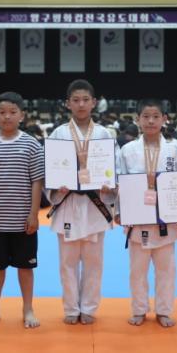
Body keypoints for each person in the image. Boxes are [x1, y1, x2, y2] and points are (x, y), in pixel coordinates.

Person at [47, 79, 119, 325]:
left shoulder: (104, 134)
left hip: (94, 204)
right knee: (67, 263)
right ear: (67, 103)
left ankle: (88, 307)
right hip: (68, 203)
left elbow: (114, 168)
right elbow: (50, 168)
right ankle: (70, 308)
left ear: (94, 103)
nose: (81, 104)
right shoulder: (58, 133)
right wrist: (56, 186)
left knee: (93, 262)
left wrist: (109, 185)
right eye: (76, 100)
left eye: (85, 100)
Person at [0, 92, 44, 329]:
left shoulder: (31, 144)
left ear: (22, 115)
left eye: (13, 112)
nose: (7, 117)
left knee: (26, 267)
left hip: (23, 220)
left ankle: (28, 309)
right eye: (2, 112)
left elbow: (37, 182)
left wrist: (34, 214)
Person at [117, 98, 177, 328]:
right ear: (138, 119)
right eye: (146, 116)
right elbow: (119, 181)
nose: (150, 121)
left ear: (164, 119)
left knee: (166, 270)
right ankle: (139, 309)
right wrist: (119, 211)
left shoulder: (174, 148)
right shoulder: (128, 150)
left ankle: (164, 311)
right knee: (137, 270)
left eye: (156, 116)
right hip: (137, 217)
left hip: (166, 217)